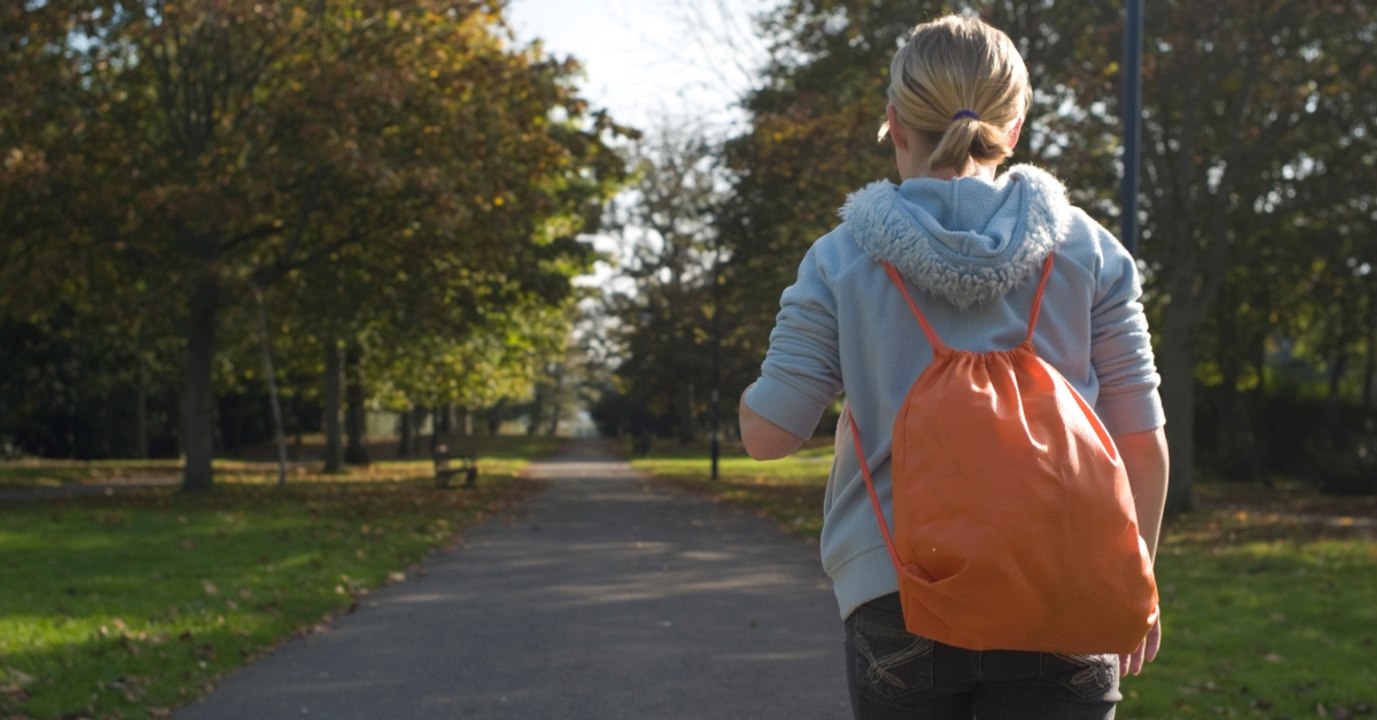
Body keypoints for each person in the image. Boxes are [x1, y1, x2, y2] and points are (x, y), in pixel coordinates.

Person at [738, 14, 1169, 720]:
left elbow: (770, 436)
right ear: (1015, 127)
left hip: (898, 590)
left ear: (894, 123)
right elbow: (1141, 441)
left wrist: (752, 397)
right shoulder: (1091, 252)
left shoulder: (840, 258)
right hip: (1066, 588)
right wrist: (1133, 575)